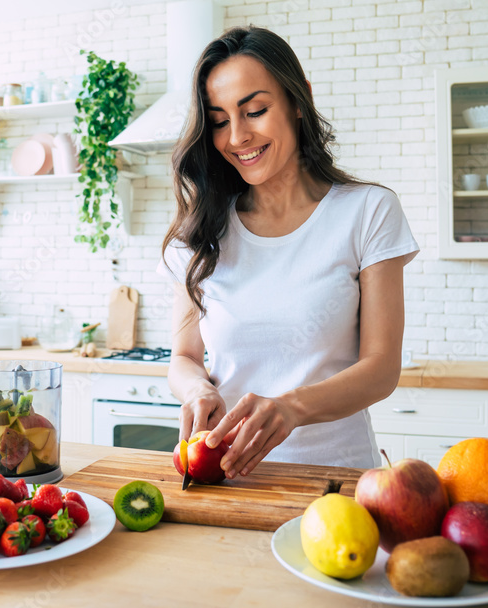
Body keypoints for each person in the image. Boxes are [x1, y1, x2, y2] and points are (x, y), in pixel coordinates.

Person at [157, 26, 419, 479]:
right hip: (229, 479)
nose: (237, 137)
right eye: (219, 121)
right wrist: (197, 390)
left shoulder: (367, 211)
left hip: (334, 482)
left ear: (299, 101)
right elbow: (183, 356)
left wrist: (291, 408)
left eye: (255, 110)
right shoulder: (202, 230)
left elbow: (381, 368)